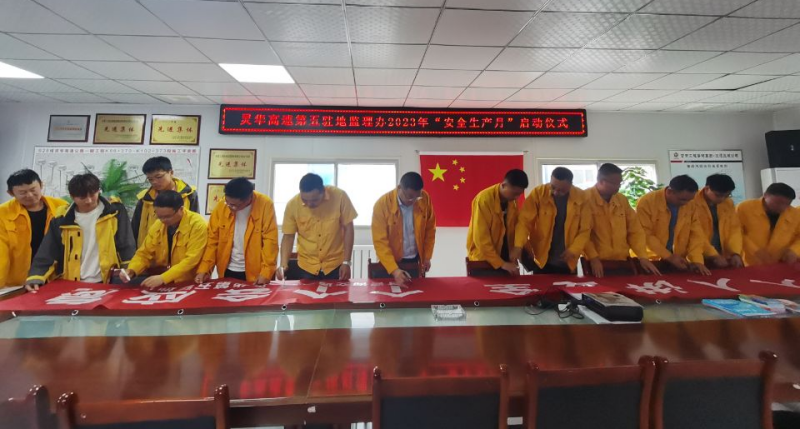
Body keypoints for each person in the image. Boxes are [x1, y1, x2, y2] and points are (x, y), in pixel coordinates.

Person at [25, 173, 136, 291]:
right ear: (72, 197)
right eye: (82, 197)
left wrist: (129, 269)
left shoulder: (114, 211)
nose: (89, 200)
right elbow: (48, 251)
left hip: (107, 279)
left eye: (93, 195)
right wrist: (35, 276)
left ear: (98, 191)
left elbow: (126, 244)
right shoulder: (62, 219)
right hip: (73, 282)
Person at [582, 163, 660, 278]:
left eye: (620, 183)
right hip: (596, 263)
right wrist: (593, 258)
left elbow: (635, 230)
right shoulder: (584, 199)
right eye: (615, 183)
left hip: (622, 261)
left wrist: (642, 256)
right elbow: (582, 233)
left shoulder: (621, 200)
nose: (618, 186)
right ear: (602, 181)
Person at [196, 177, 278, 284]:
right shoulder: (222, 206)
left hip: (256, 272)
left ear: (248, 198)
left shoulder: (265, 205)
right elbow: (213, 241)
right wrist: (205, 269)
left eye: (234, 205)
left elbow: (270, 242)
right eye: (227, 202)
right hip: (227, 268)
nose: (230, 207)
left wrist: (266, 272)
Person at [511, 167, 591, 275]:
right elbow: (524, 222)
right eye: (553, 187)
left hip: (568, 260)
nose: (556, 192)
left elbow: (585, 230)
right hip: (541, 259)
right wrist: (518, 245)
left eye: (562, 190)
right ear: (550, 179)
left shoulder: (582, 197)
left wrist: (574, 249)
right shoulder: (538, 193)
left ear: (570, 185)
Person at [277, 173, 357, 281]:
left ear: (323, 191)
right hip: (306, 266)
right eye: (304, 200)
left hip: (335, 265)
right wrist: (283, 265)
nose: (309, 204)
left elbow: (348, 228)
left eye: (314, 200)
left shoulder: (340, 197)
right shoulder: (293, 205)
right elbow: (288, 237)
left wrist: (346, 262)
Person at [122, 190, 207, 288]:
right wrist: (132, 270)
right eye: (159, 216)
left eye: (167, 216)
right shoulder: (158, 225)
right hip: (165, 282)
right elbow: (144, 253)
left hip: (190, 281)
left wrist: (163, 278)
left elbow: (192, 259)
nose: (163, 220)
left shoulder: (197, 225)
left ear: (181, 209)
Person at [0, 169, 68, 287]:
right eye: (22, 192)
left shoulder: (61, 207)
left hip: (56, 278)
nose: (30, 195)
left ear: (41, 185)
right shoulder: (3, 213)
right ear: (11, 193)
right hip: (19, 283)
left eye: (33, 189)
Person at [636, 175, 711, 275]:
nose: (686, 203)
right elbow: (645, 234)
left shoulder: (690, 204)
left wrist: (697, 260)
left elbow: (696, 234)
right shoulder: (647, 202)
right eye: (682, 199)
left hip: (678, 260)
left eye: (689, 200)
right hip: (651, 259)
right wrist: (668, 256)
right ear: (669, 191)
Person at [371, 172, 436, 284]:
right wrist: (394, 270)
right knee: (390, 293)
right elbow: (380, 242)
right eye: (410, 196)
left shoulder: (424, 199)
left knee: (416, 293)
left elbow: (430, 230)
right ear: (399, 188)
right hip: (389, 263)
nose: (413, 201)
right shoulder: (382, 205)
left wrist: (427, 257)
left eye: (417, 197)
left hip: (415, 260)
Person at [467, 169, 528, 276]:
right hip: (484, 261)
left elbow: (516, 227)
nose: (517, 197)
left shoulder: (512, 202)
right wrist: (501, 263)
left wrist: (516, 248)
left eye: (519, 194)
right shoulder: (484, 200)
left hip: (506, 260)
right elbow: (481, 238)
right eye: (514, 194)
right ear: (504, 185)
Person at [131, 156, 199, 248]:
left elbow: (195, 223)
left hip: (181, 245)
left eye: (159, 177)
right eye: (150, 179)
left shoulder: (189, 194)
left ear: (171, 173)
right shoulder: (145, 198)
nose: (154, 182)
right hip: (152, 247)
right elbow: (135, 227)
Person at [737, 182, 800, 266]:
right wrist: (755, 250)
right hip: (749, 263)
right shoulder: (744, 208)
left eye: (787, 204)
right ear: (765, 195)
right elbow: (736, 232)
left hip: (780, 264)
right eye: (778, 203)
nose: (783, 207)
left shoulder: (795, 214)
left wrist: (794, 250)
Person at [694, 174, 744, 268]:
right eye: (718, 195)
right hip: (697, 254)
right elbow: (695, 233)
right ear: (707, 189)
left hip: (722, 256)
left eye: (727, 195)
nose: (722, 199)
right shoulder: (691, 201)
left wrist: (735, 253)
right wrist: (712, 254)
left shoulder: (728, 203)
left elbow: (734, 229)